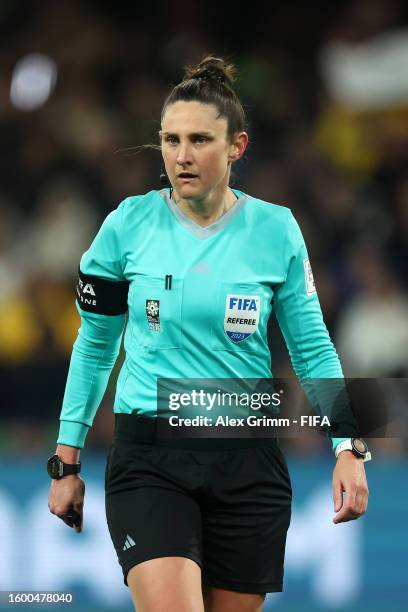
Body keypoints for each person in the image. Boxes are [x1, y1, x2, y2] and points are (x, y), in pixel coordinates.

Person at [47, 55, 370, 612]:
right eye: (170, 140)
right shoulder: (126, 226)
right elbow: (96, 346)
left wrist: (348, 446)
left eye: (199, 139)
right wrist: (66, 462)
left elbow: (312, 345)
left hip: (248, 462)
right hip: (149, 459)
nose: (181, 155)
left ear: (237, 147)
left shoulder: (276, 230)